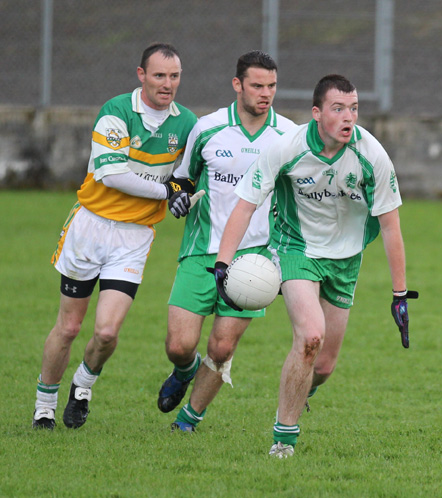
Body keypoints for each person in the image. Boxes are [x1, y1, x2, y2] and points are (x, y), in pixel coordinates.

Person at [213, 74, 419, 458]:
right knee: (310, 337)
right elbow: (245, 204)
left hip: (346, 259)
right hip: (297, 251)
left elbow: (391, 226)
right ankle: (284, 439)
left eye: (354, 108)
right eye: (338, 108)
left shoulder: (371, 154)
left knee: (322, 366)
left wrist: (399, 294)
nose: (348, 117)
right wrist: (223, 263)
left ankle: (297, 390)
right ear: (316, 113)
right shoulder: (286, 148)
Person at [32, 42, 197, 430]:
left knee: (106, 332)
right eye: (159, 75)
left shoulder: (187, 123)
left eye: (174, 77)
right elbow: (113, 174)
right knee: (69, 327)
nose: (167, 84)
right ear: (141, 76)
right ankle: (44, 406)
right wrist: (166, 192)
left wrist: (182, 194)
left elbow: (189, 175)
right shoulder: (117, 111)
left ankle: (83, 384)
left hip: (134, 236)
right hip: (90, 226)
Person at [156, 50, 297, 432]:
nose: (265, 93)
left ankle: (188, 420)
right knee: (179, 345)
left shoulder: (288, 135)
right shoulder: (207, 128)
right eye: (257, 85)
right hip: (201, 250)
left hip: (254, 260)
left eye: (271, 86)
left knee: (221, 348)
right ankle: (183, 371)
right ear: (238, 85)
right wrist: (178, 197)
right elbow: (180, 179)